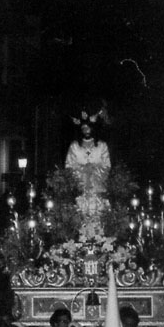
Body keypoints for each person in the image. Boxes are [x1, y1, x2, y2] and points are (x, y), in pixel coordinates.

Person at [64, 99, 111, 239]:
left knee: (98, 217)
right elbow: (69, 166)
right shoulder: (74, 146)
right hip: (81, 190)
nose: (86, 131)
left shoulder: (101, 146)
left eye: (88, 128)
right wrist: (83, 171)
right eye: (83, 128)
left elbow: (106, 166)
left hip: (97, 189)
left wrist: (94, 171)